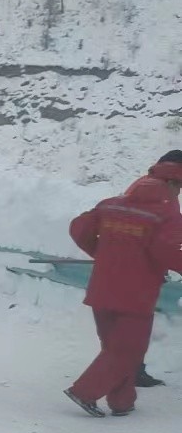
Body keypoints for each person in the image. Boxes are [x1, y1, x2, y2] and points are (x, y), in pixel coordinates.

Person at [64, 152, 182, 417]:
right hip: (136, 294)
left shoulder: (111, 205)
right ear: (174, 183)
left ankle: (122, 402)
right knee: (128, 351)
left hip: (102, 288)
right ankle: (84, 392)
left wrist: (102, 253)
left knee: (114, 349)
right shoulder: (167, 214)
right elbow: (167, 250)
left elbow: (79, 228)